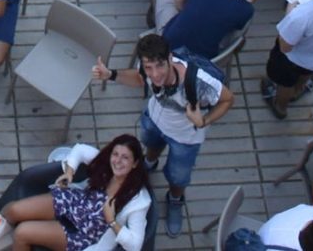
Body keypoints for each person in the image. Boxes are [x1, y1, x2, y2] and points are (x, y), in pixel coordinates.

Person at [90, 33, 227, 237]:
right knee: (150, 144)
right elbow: (139, 78)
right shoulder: (147, 70)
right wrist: (110, 74)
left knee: (178, 176)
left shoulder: (198, 81)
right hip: (154, 120)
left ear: (170, 58)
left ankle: (175, 199)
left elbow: (228, 99)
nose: (155, 74)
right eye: (149, 67)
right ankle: (149, 164)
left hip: (185, 137)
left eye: (160, 66)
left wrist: (203, 121)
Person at [0, 135, 151, 251]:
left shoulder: (139, 200)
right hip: (75, 203)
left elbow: (135, 246)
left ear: (135, 163)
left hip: (86, 235)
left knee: (22, 233)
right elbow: (80, 150)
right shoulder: (106, 165)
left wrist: (112, 221)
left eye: (125, 158)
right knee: (12, 210)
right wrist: (70, 172)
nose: (117, 161)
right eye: (115, 154)